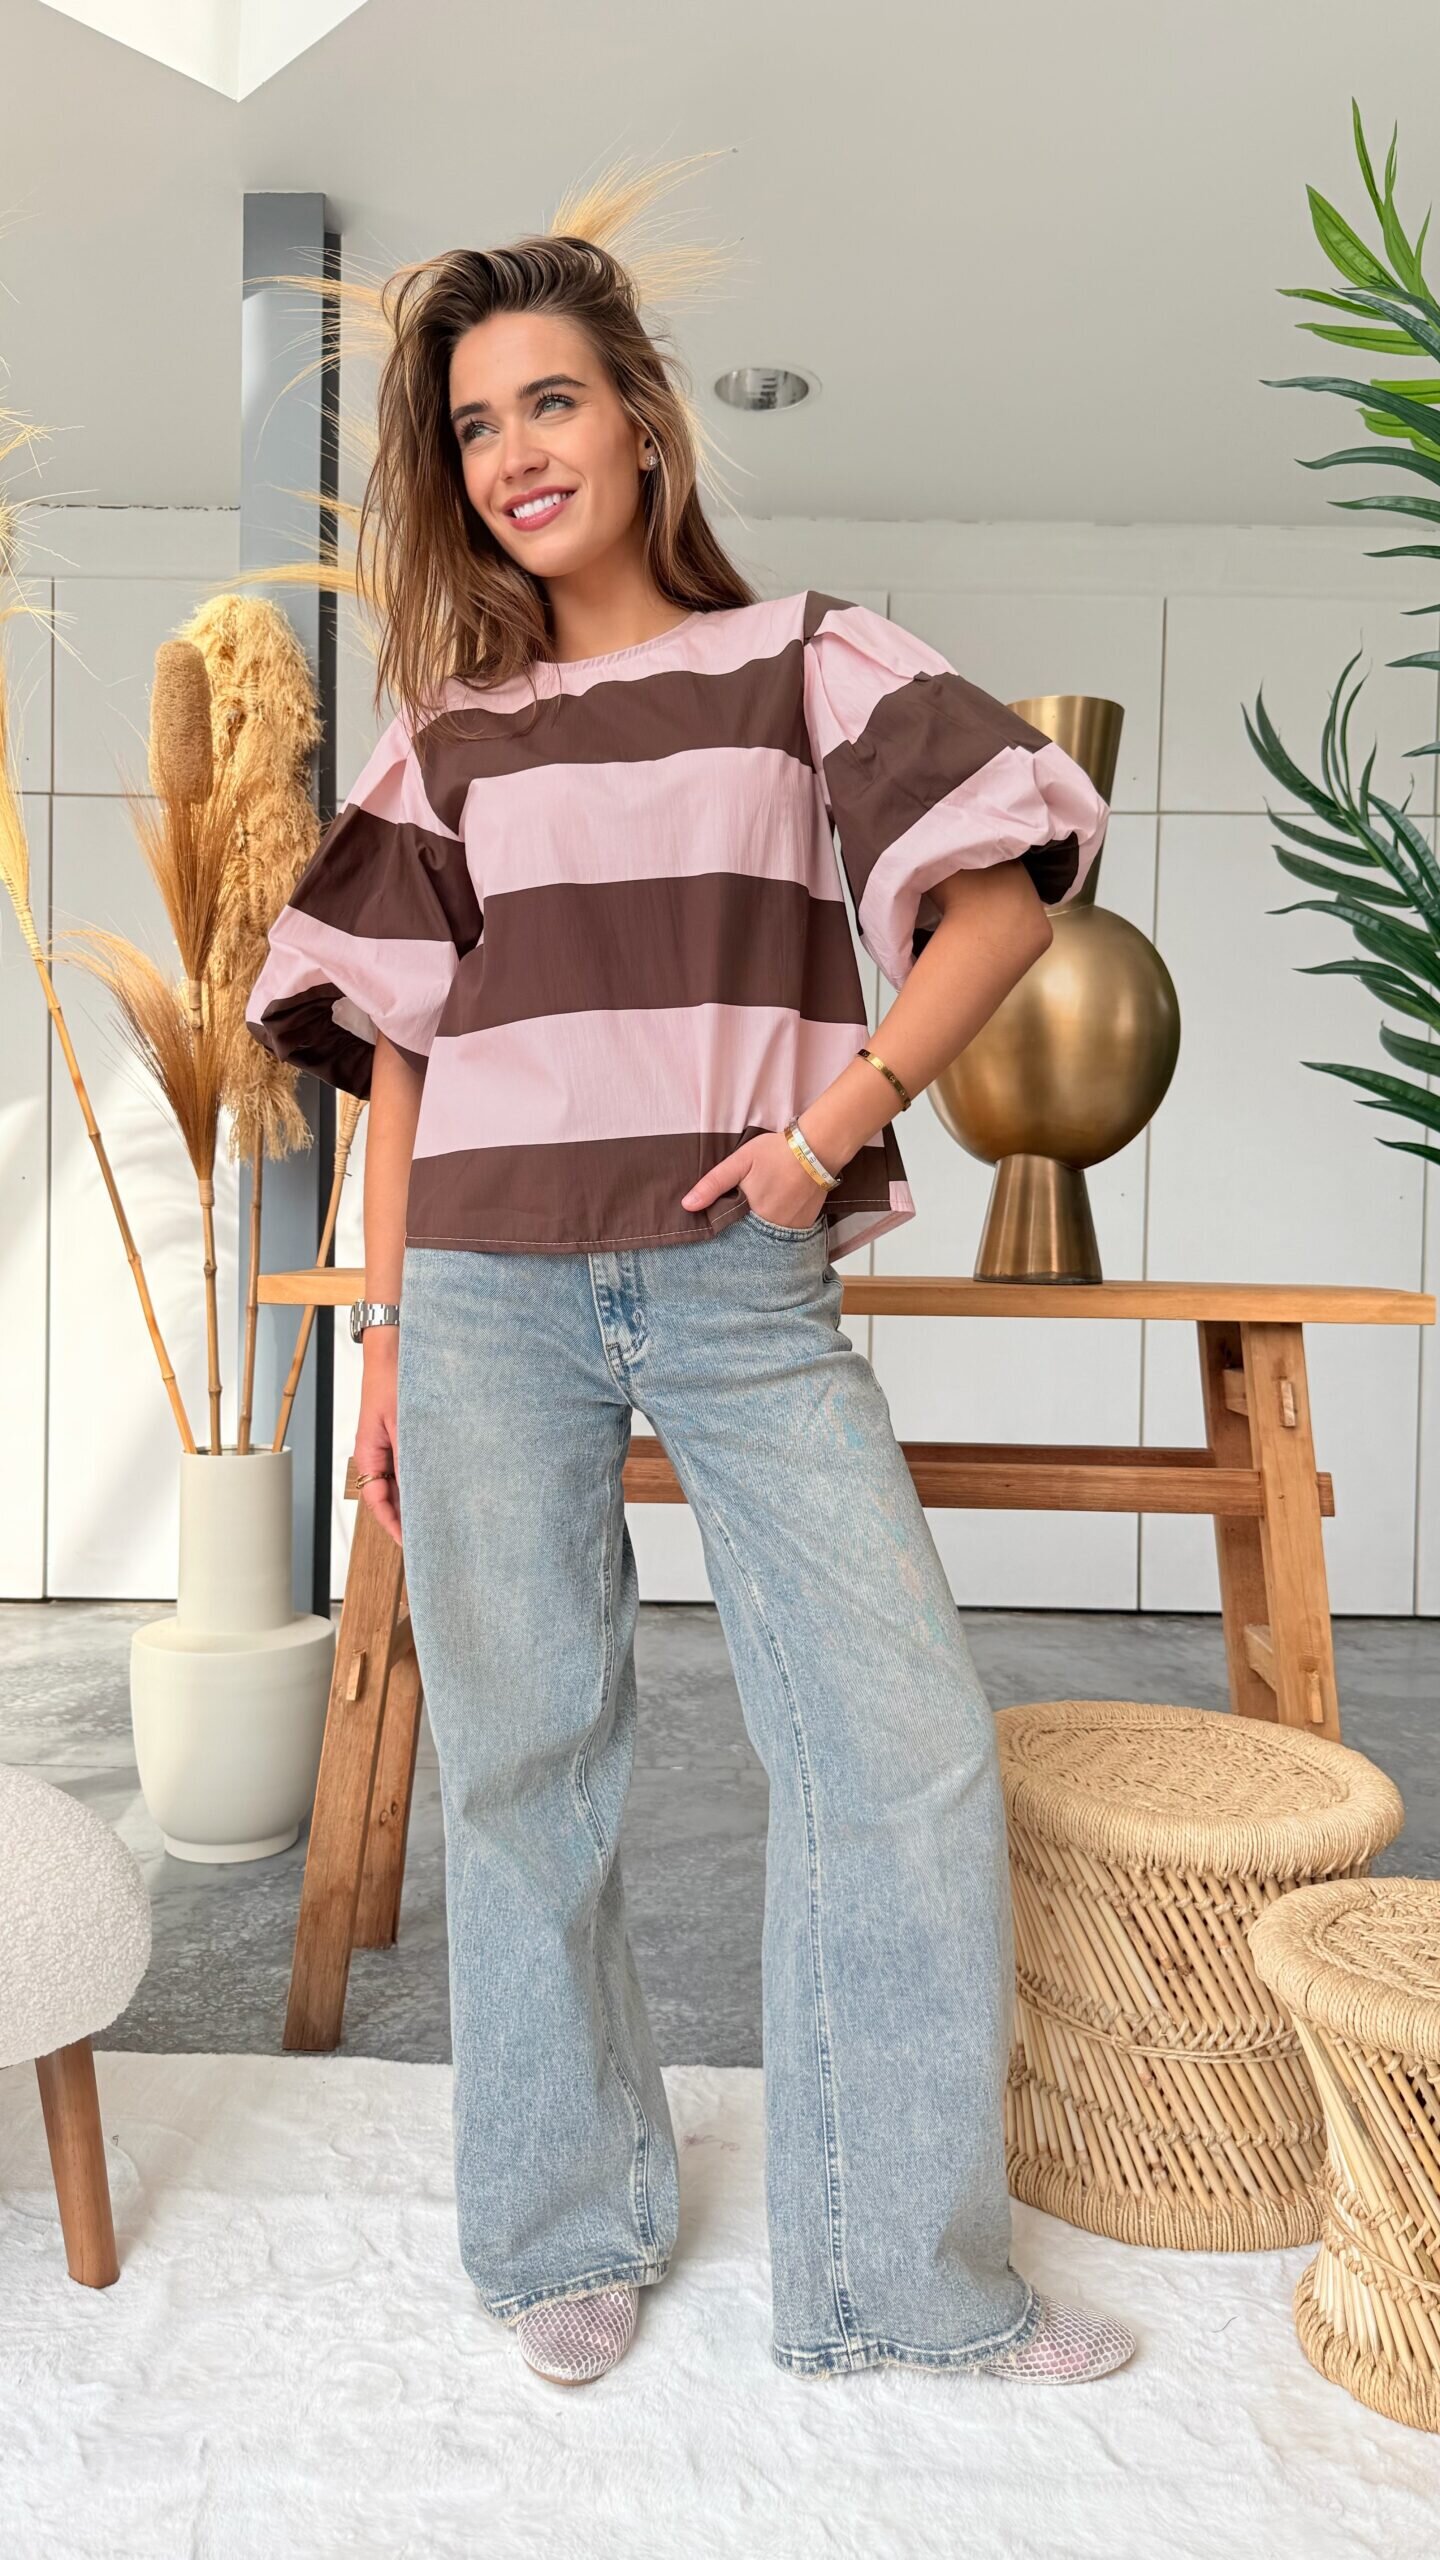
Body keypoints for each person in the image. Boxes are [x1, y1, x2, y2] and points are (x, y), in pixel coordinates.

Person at [245, 177, 1135, 2393]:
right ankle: (562, 2223)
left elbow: (1005, 897)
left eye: (550, 401)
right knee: (523, 1763)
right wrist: (384, 1333)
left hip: (742, 1284)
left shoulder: (808, 660)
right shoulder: (450, 734)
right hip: (483, 1295)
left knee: (904, 1749)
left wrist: (833, 1129)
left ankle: (904, 2275)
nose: (513, 454)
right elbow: (404, 1053)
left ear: (643, 418)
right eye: (473, 425)